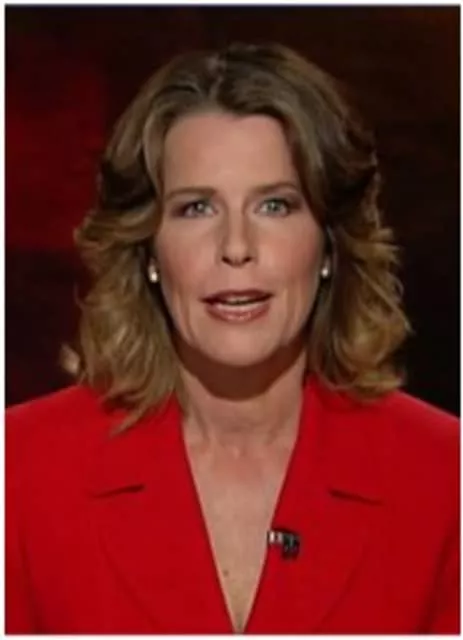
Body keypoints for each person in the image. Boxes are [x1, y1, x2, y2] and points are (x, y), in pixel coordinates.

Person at [6, 42, 459, 634]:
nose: (237, 247)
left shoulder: (444, 476)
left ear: (329, 244)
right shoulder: (18, 470)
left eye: (275, 205)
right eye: (197, 208)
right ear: (148, 250)